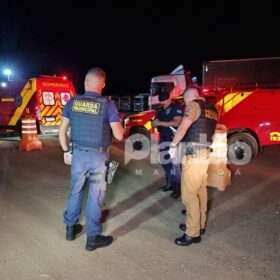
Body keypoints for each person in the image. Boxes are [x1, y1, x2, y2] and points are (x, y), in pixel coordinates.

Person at [59, 67, 124, 251]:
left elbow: (62, 131)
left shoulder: (72, 102)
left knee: (75, 191)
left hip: (78, 156)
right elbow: (119, 135)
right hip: (98, 158)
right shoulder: (108, 104)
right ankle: (92, 238)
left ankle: (70, 229)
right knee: (96, 195)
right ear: (103, 85)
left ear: (86, 83)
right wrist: (122, 126)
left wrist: (66, 151)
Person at [169, 86, 218, 246]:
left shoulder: (193, 105)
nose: (185, 106)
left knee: (189, 195)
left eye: (184, 102)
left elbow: (183, 127)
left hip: (194, 155)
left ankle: (192, 233)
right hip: (205, 154)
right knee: (201, 191)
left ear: (188, 98)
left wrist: (173, 145)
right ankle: (199, 225)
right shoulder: (212, 109)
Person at [152, 91, 183, 199]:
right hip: (163, 139)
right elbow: (154, 123)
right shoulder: (160, 110)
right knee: (165, 164)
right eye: (161, 101)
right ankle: (170, 184)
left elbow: (177, 122)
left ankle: (178, 188)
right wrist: (154, 122)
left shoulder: (176, 107)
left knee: (175, 165)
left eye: (164, 100)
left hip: (173, 140)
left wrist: (160, 123)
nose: (162, 102)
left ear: (169, 99)